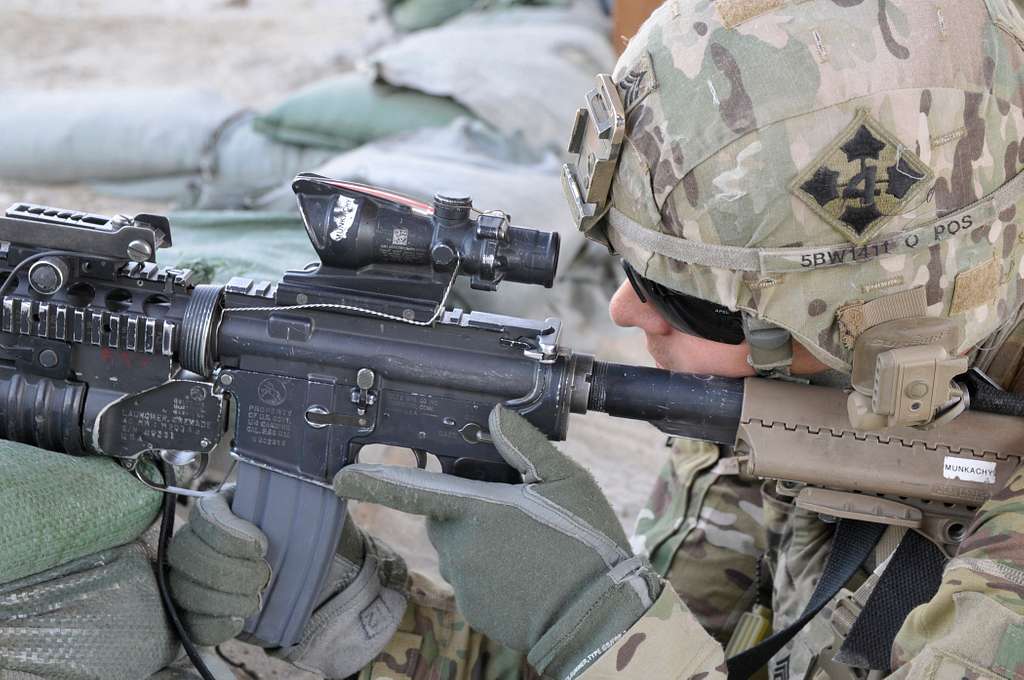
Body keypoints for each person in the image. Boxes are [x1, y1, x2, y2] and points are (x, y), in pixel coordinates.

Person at [4, 0, 1024, 678]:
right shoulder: (801, 403)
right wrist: (357, 615)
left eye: (695, 305)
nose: (628, 315)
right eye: (627, 268)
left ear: (897, 322)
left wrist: (596, 615)